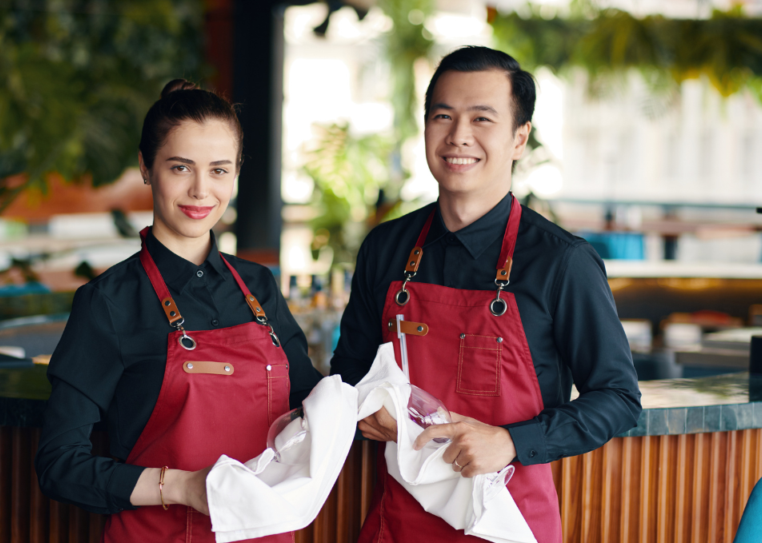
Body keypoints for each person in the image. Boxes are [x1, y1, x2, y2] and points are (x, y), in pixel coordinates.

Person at [330, 46, 642, 542]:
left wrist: (511, 441)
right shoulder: (385, 248)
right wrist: (365, 405)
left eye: (482, 119)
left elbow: (620, 399)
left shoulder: (562, 262)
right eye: (443, 116)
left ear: (520, 138)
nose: (459, 137)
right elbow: (347, 375)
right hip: (399, 525)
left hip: (508, 525)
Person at [36, 79, 323, 542]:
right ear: (146, 167)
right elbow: (59, 465)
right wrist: (184, 487)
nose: (200, 191)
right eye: (180, 167)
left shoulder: (258, 287)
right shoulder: (108, 303)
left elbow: (311, 406)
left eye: (219, 170)